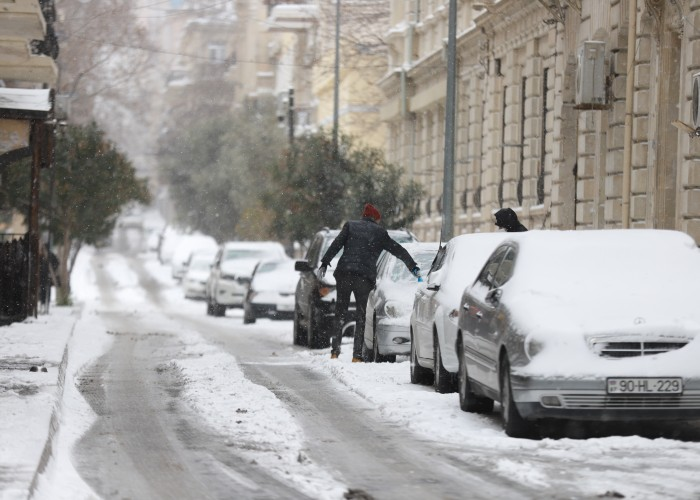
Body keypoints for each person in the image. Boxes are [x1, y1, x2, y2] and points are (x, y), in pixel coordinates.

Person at [319, 203, 420, 362]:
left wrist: (325, 262)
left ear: (363, 216)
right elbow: (397, 249)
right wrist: (412, 266)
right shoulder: (379, 232)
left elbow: (336, 244)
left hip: (344, 273)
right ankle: (356, 356)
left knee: (340, 312)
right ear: (376, 218)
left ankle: (334, 352)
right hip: (363, 278)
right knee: (361, 315)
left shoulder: (350, 226)